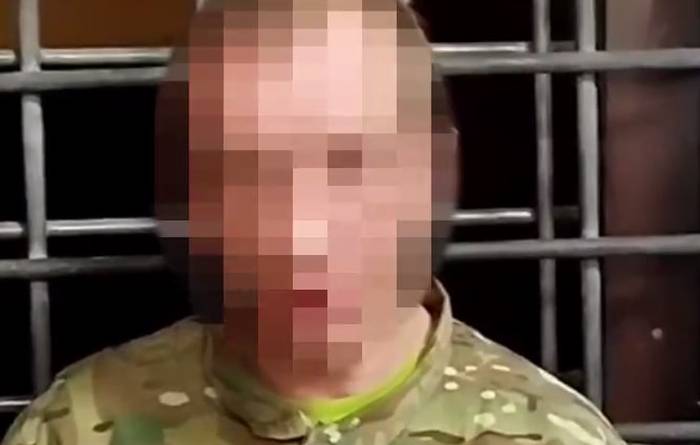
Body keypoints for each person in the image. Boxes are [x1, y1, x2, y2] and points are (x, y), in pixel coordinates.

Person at [2, 1, 628, 444]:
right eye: (250, 169)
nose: (303, 230)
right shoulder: (75, 428)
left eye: (350, 163)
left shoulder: (555, 436)